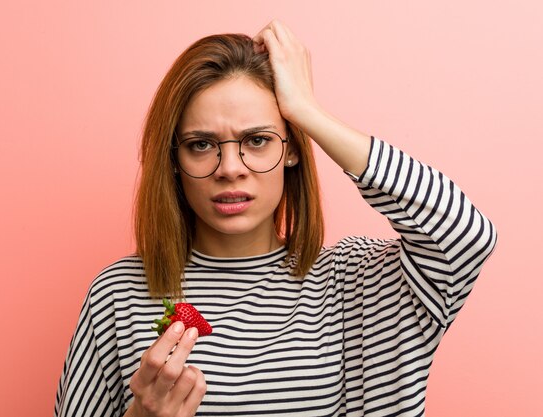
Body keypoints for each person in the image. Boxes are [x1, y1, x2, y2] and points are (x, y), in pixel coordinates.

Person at [54, 20, 498, 417]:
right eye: (201, 144)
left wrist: (308, 112)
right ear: (174, 160)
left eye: (258, 139)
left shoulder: (356, 282)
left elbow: (466, 237)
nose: (230, 167)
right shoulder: (120, 294)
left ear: (290, 151)